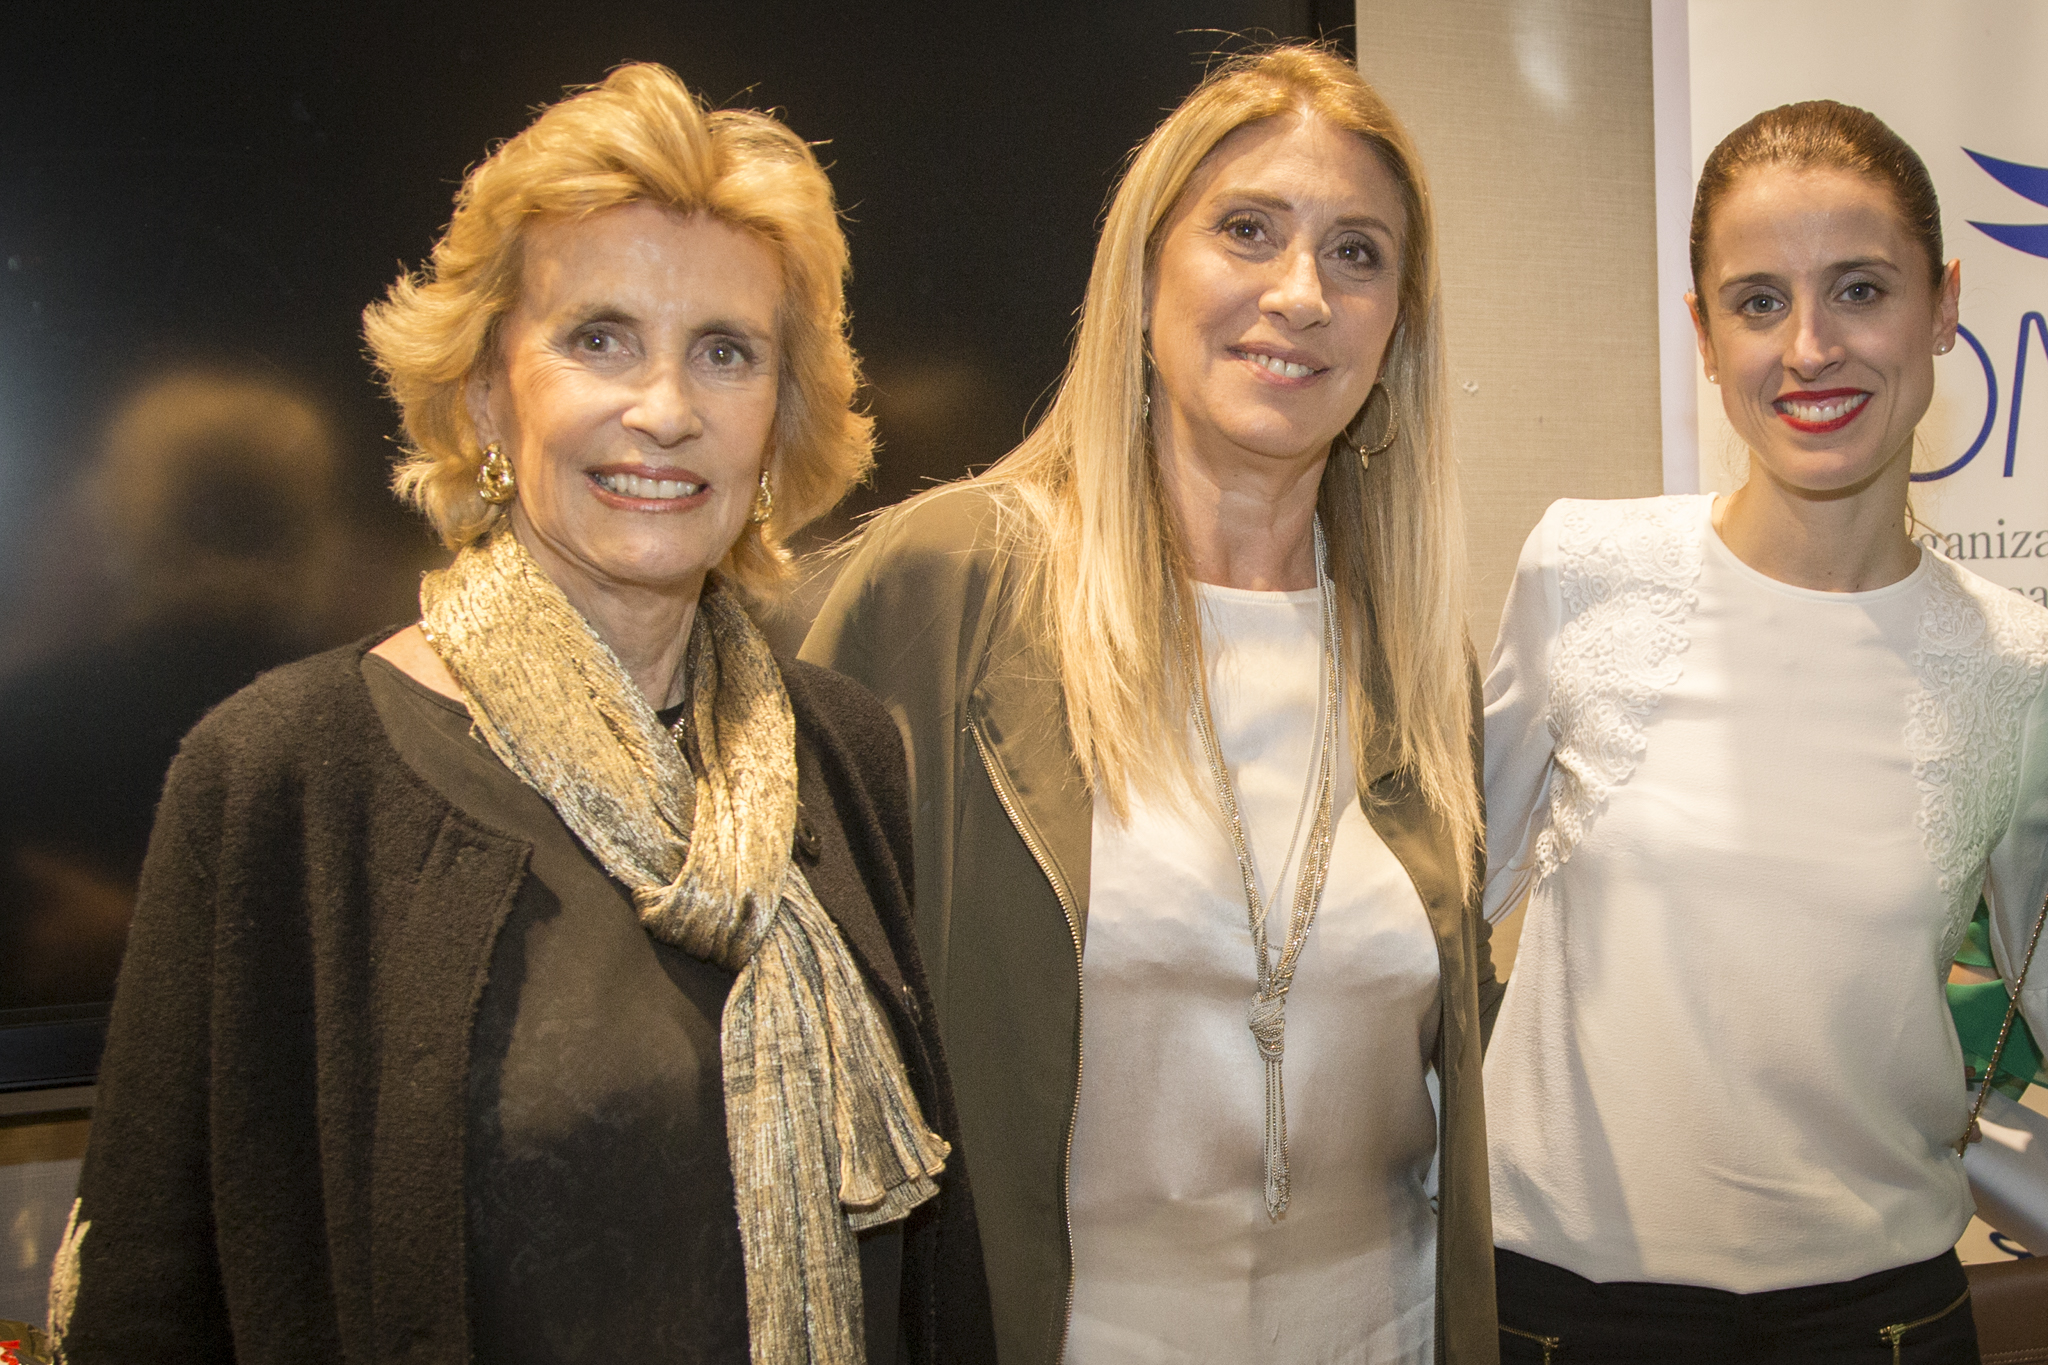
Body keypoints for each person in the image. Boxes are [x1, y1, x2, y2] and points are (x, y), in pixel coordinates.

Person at [50, 63, 992, 1364]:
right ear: (491, 392)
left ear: (779, 418)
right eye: (599, 337)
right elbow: (151, 1306)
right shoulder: (284, 776)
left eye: (725, 352)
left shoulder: (844, 750)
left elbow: (940, 1277)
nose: (664, 409)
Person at [805, 45, 1500, 1365]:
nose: (1301, 293)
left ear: (1398, 326)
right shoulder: (950, 588)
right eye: (1248, 231)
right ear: (1142, 278)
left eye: (1358, 255)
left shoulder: (1415, 652)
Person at [1482, 99, 2048, 1361]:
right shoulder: (1581, 566)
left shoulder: (2020, 668)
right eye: (1754, 302)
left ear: (1943, 303)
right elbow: (1424, 904)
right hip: (1564, 1316)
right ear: (1700, 330)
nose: (1808, 348)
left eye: (1858, 289)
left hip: (1881, 1319)